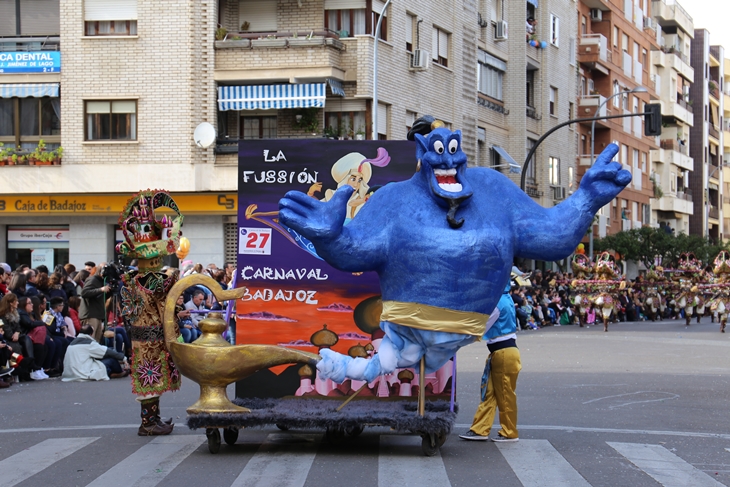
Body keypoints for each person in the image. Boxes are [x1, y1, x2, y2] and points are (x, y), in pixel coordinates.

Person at [460, 283, 521, 442]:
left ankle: (509, 432)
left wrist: (458, 339)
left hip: (503, 353)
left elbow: (481, 327)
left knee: (505, 395)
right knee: (490, 393)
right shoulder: (505, 299)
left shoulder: (498, 303)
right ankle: (480, 429)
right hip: (503, 353)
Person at [62, 324, 129, 381]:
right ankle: (120, 372)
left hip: (69, 374)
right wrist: (123, 358)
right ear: (91, 334)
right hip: (83, 373)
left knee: (104, 358)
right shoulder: (89, 344)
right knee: (111, 359)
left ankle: (111, 373)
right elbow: (107, 351)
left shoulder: (71, 344)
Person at [79, 264, 111, 342]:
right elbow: (84, 293)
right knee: (90, 340)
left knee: (96, 342)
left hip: (98, 315)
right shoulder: (93, 279)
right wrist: (101, 289)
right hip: (90, 315)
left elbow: (102, 297)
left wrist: (109, 291)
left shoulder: (101, 282)